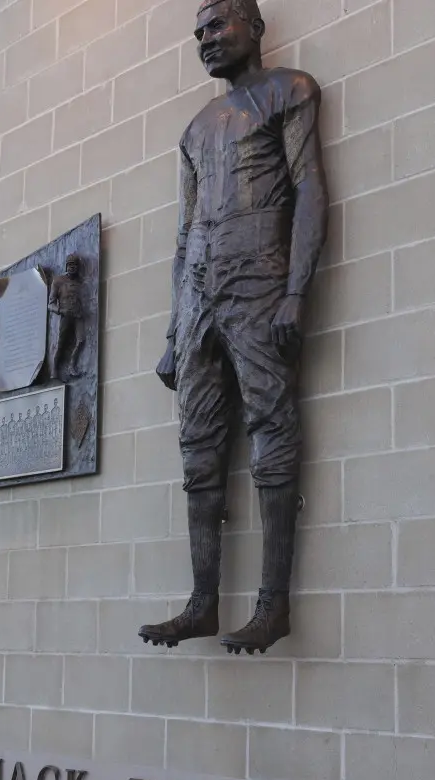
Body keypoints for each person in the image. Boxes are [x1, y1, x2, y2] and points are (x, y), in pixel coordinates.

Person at [139, 0, 329, 654]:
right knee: (198, 449)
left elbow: (308, 191)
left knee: (272, 425)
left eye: (217, 26)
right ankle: (202, 601)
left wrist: (296, 292)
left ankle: (272, 604)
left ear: (254, 27)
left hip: (260, 276)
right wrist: (172, 333)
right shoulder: (194, 131)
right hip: (198, 293)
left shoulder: (290, 91)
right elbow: (183, 232)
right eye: (198, 33)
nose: (207, 40)